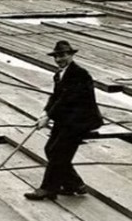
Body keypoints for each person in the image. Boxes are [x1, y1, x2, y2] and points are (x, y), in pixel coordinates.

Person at [24, 40, 103, 201]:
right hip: (66, 119)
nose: (59, 59)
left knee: (58, 152)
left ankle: (47, 189)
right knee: (51, 150)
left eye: (63, 55)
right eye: (57, 57)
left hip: (80, 121)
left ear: (71, 55)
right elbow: (56, 97)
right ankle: (74, 185)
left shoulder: (80, 74)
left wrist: (48, 117)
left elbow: (67, 99)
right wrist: (45, 113)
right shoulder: (59, 75)